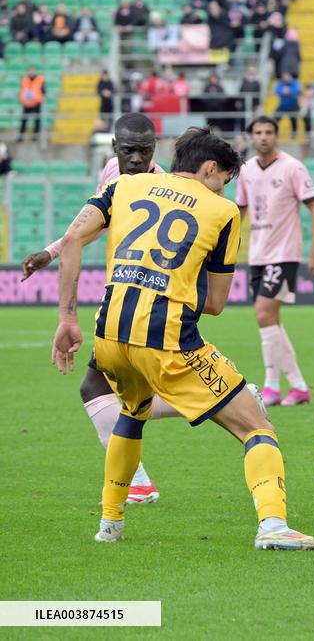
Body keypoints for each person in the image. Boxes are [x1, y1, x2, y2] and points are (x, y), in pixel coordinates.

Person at [50, 126, 314, 551]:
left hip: (108, 333)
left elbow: (72, 238)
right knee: (257, 425)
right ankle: (274, 525)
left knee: (132, 411)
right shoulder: (222, 213)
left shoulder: (126, 184)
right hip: (166, 339)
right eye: (225, 180)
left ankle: (109, 523)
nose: (226, 190)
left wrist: (66, 318)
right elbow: (216, 303)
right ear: (210, 168)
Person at [22, 113, 177, 505]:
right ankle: (139, 480)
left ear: (155, 149)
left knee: (102, 389)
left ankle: (224, 398)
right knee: (108, 390)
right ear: (114, 149)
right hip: (122, 300)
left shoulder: (163, 186)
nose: (138, 159)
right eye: (129, 151)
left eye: (145, 151)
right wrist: (51, 252)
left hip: (144, 302)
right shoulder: (112, 174)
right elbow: (89, 227)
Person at [236, 116, 314, 406]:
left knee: (263, 313)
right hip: (258, 254)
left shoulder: (292, 167)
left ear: (277, 135)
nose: (264, 137)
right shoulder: (246, 170)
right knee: (271, 319)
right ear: (251, 137)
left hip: (284, 253)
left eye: (269, 132)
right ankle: (298, 386)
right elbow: (241, 211)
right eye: (258, 132)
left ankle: (271, 384)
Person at [18, 67, 45, 142]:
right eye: (29, 71)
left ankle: (36, 136)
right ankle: (21, 136)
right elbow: (22, 90)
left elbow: (44, 91)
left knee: (37, 120)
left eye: (32, 71)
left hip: (36, 103)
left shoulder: (40, 79)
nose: (31, 73)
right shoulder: (25, 79)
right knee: (24, 120)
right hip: (26, 103)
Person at [273, 72, 301, 139]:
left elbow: (297, 89)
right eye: (284, 78)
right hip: (283, 105)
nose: (286, 79)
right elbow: (277, 90)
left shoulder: (295, 82)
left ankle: (294, 134)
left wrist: (288, 91)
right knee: (276, 118)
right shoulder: (280, 82)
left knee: (293, 119)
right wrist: (283, 91)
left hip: (293, 105)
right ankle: (274, 132)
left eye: (287, 77)